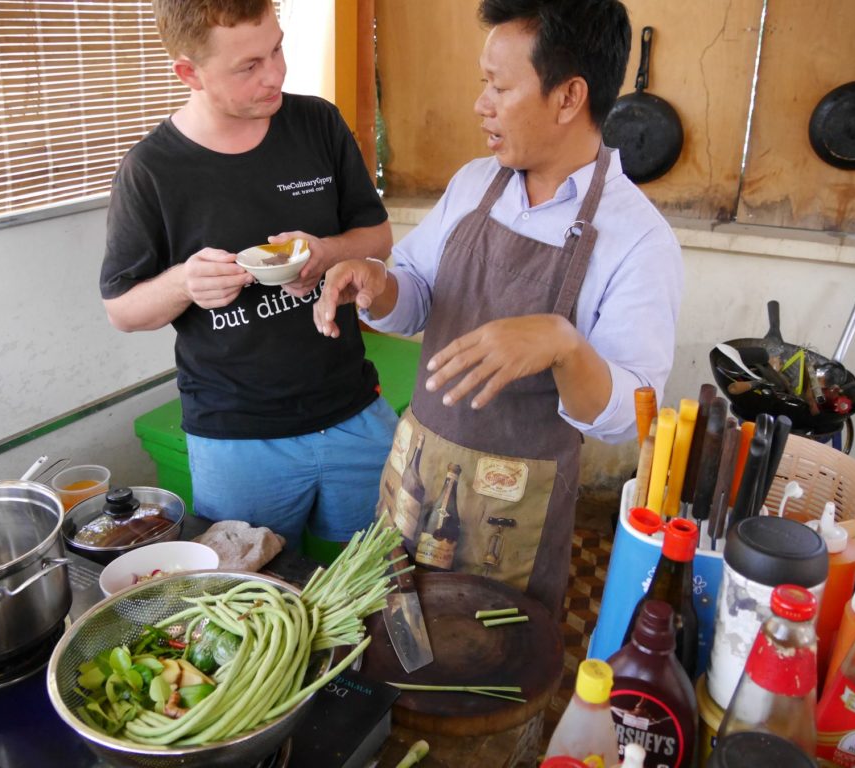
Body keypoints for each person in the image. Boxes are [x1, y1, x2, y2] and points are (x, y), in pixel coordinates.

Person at [313, 0, 682, 618]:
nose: (481, 103)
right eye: (484, 82)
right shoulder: (474, 183)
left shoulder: (638, 240)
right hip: (418, 477)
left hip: (514, 518)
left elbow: (628, 417)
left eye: (499, 86)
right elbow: (418, 294)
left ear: (568, 98)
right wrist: (377, 286)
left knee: (484, 676)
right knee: (387, 639)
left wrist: (564, 345)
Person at [100, 0, 398, 548]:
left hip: (354, 413)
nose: (276, 73)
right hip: (237, 439)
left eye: (277, 48)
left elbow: (377, 237)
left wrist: (327, 251)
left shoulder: (317, 124)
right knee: (255, 601)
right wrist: (184, 284)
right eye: (248, 66)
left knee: (377, 577)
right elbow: (121, 309)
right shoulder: (152, 170)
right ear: (189, 72)